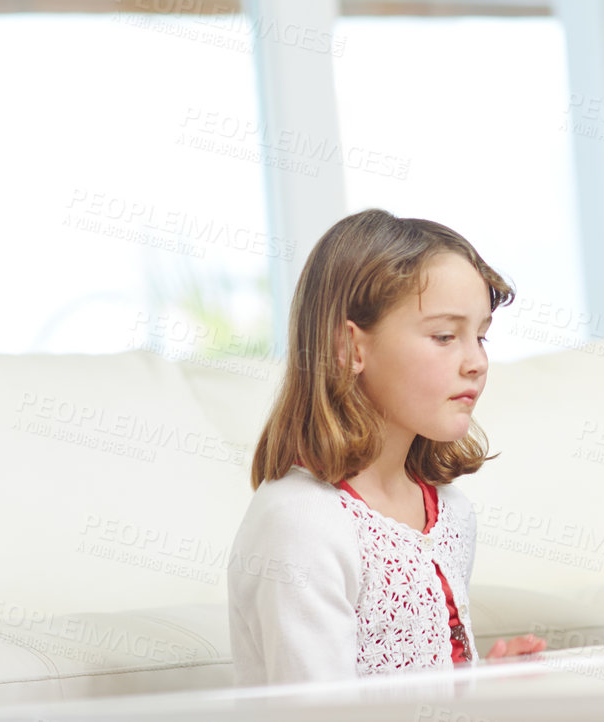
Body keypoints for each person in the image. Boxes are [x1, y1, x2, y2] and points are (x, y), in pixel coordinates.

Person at [228, 210, 545, 684]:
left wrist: (484, 687)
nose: (477, 361)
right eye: (444, 336)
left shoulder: (451, 514)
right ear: (349, 347)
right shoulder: (301, 524)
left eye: (480, 336)